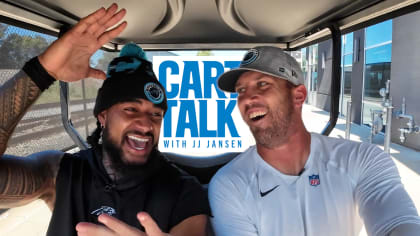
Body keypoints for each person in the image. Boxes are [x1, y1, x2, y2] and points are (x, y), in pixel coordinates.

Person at [0, 4, 209, 236]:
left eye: (156, 114)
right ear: (103, 116)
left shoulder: (183, 191)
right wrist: (41, 72)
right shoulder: (60, 173)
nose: (147, 124)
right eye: (131, 109)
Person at [208, 46, 420, 236]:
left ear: (298, 96)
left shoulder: (363, 159)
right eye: (241, 90)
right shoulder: (229, 184)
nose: (246, 98)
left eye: (262, 84)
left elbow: (400, 222)